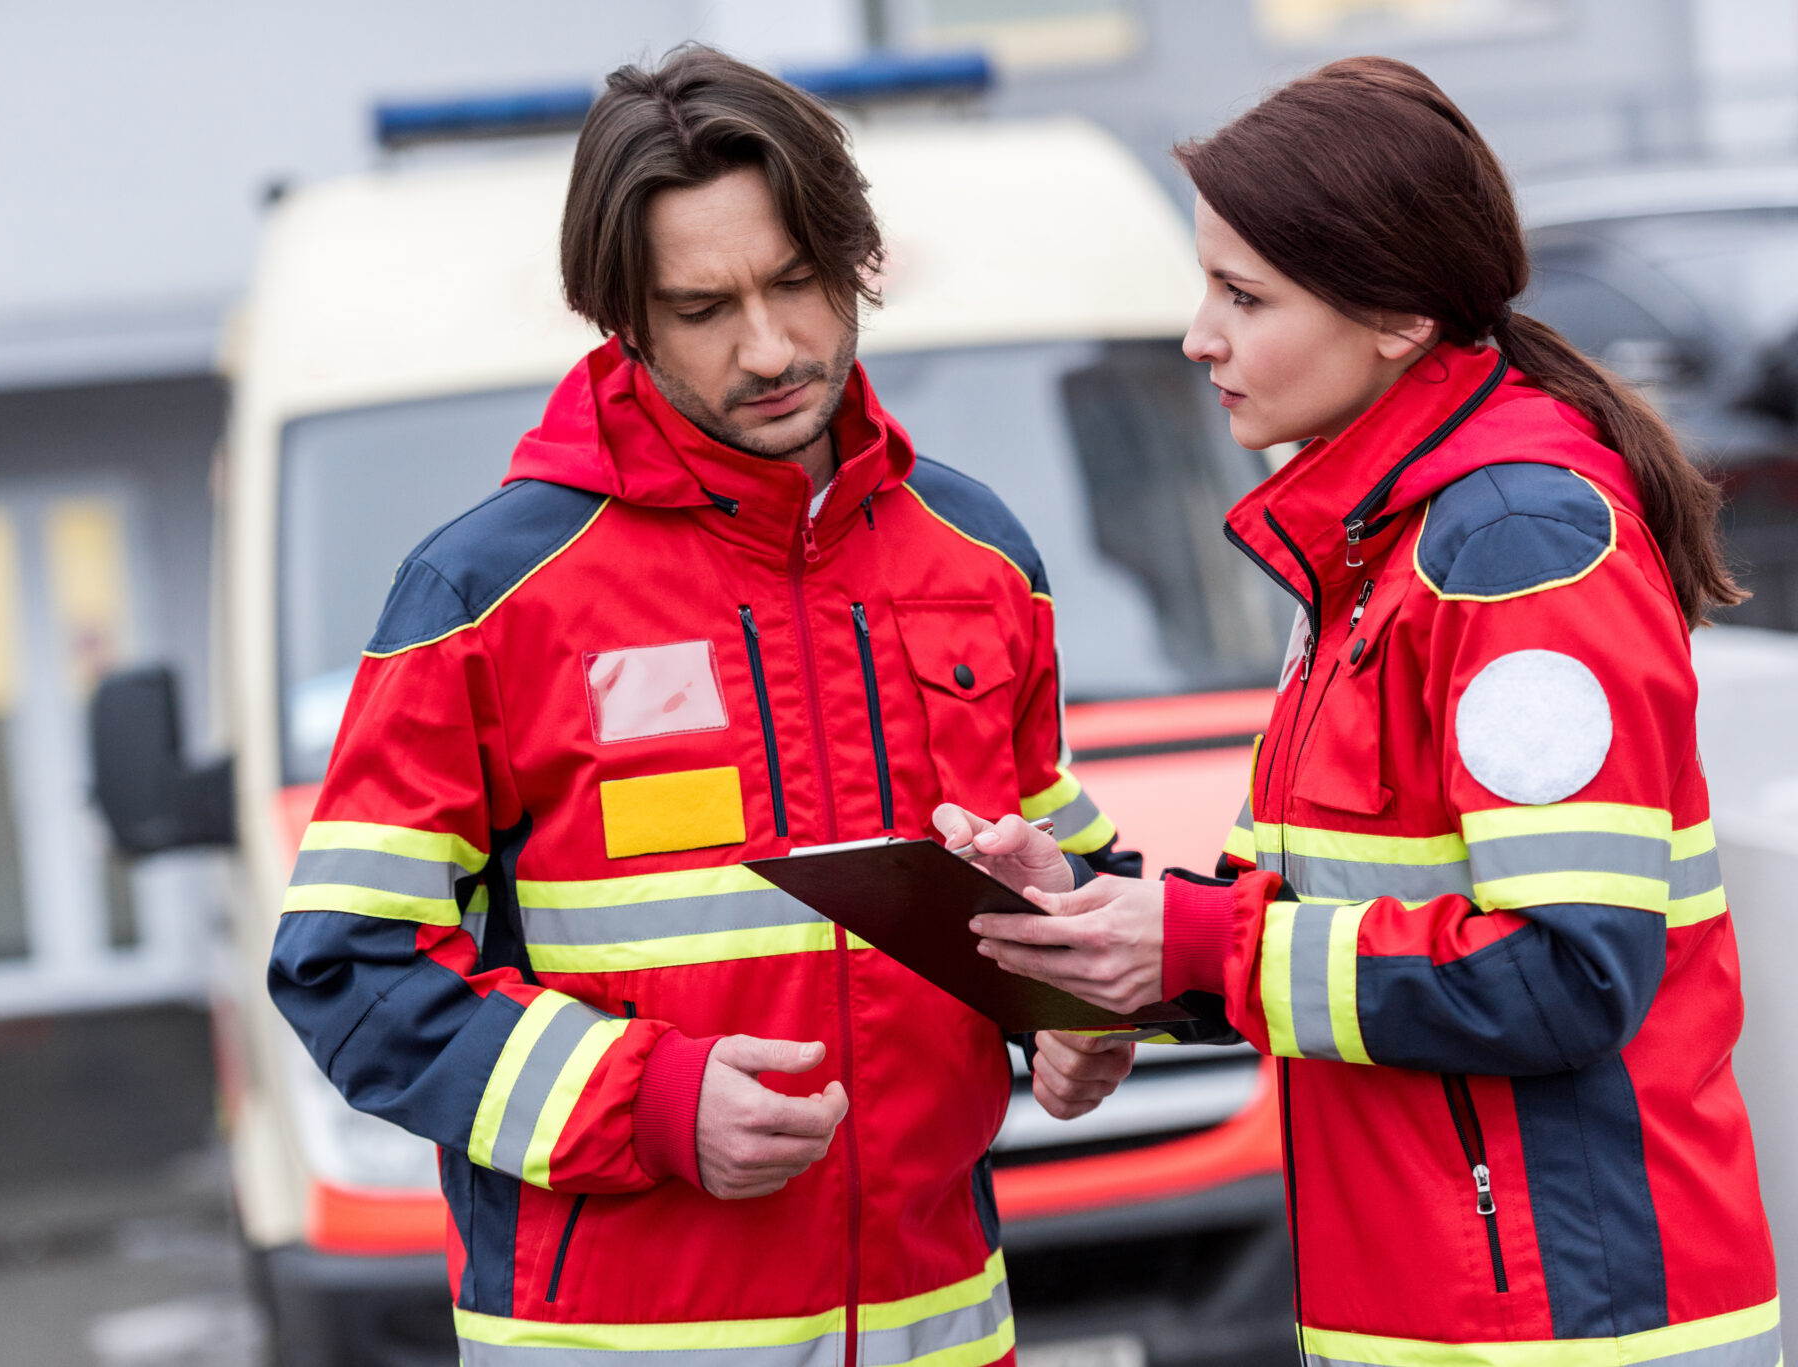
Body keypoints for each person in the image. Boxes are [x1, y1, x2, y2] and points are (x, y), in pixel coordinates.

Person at [268, 45, 1134, 1365]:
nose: (772, 346)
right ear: (625, 318)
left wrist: (1085, 993)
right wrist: (651, 1102)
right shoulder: (486, 594)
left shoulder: (983, 555)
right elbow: (349, 971)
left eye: (797, 283)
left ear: (856, 263)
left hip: (939, 1329)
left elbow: (1051, 856)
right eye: (705, 307)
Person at [946, 56, 1779, 1366]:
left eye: (1242, 296)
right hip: (1447, 1316)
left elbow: (1565, 976)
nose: (1196, 337)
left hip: (1572, 1331)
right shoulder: (1376, 547)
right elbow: (1301, 925)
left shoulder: (1511, 546)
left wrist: (1192, 949)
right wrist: (1105, 945)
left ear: (1394, 316)